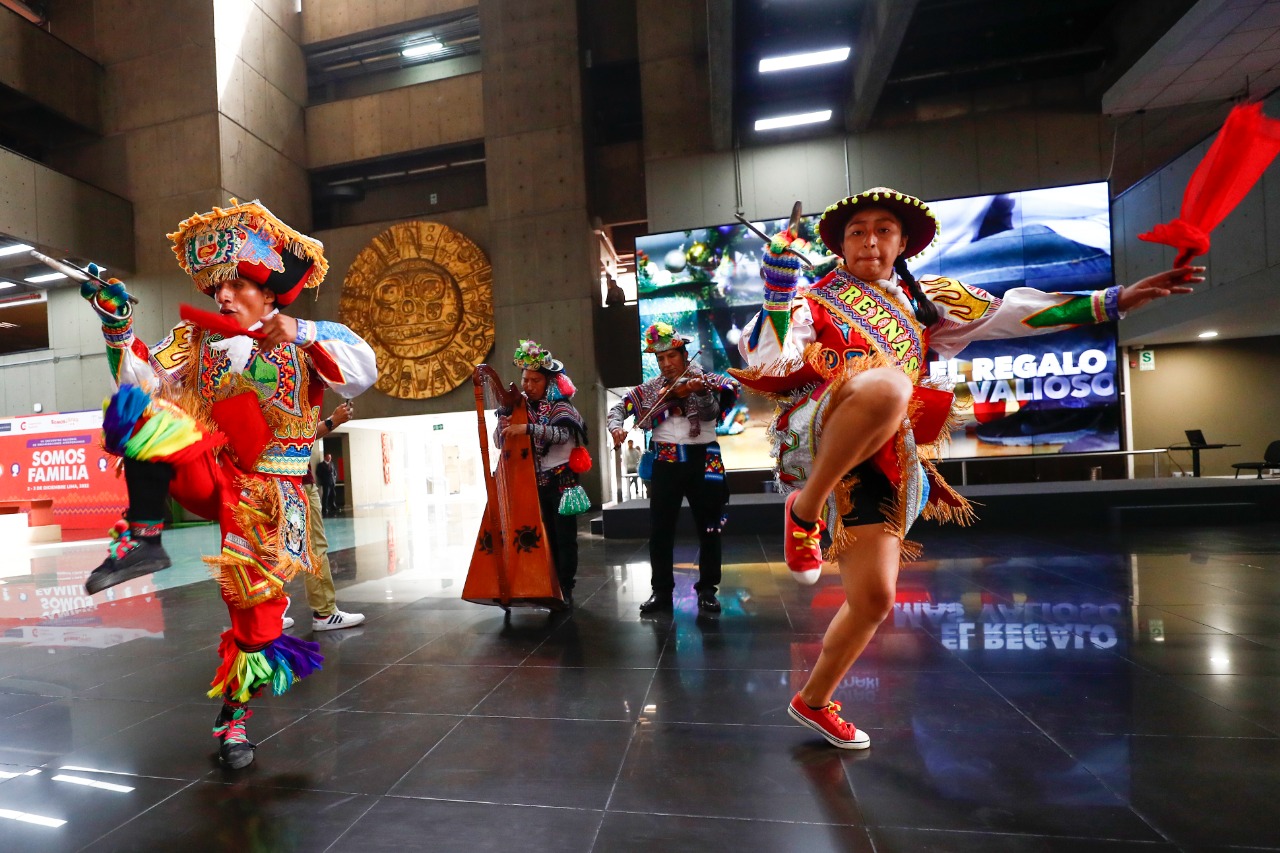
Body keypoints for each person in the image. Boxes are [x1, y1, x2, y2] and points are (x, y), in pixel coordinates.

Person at [734, 187, 1203, 749]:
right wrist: (778, 291)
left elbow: (1012, 314)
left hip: (881, 456)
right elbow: (768, 362)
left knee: (875, 600)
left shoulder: (927, 299)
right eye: (857, 231)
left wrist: (1114, 301)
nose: (870, 240)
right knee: (888, 384)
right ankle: (805, 508)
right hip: (819, 434)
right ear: (839, 245)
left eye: (884, 229)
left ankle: (813, 701)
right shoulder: (815, 295)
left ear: (902, 243)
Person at [80, 199, 378, 768]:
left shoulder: (308, 336)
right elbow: (140, 378)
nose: (221, 295)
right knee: (146, 412)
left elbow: (362, 374)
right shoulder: (194, 341)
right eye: (217, 285)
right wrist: (117, 323)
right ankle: (143, 536)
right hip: (214, 472)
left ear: (268, 292)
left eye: (236, 283)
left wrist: (304, 332)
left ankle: (233, 721)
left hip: (272, 493)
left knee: (257, 622)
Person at [607, 323, 739, 615]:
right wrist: (616, 426)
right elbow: (619, 408)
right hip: (666, 460)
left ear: (683, 354)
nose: (666, 364)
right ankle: (662, 592)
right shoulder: (653, 388)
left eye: (671, 357)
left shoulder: (705, 379)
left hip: (704, 458)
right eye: (660, 359)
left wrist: (699, 391)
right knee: (660, 530)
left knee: (709, 527)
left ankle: (707, 589)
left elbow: (711, 414)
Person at [495, 340, 589, 607]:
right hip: (532, 482)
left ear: (548, 382)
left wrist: (527, 429)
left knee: (564, 538)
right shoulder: (517, 408)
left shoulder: (562, 406)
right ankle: (541, 584)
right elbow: (497, 442)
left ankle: (565, 587)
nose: (527, 385)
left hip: (562, 480)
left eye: (535, 380)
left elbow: (561, 434)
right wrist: (502, 427)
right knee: (539, 538)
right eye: (525, 379)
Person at [286, 400, 365, 632]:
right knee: (314, 547)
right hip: (296, 482)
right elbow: (296, 437)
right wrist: (332, 421)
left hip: (269, 482)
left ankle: (265, 614)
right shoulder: (285, 392)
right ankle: (324, 612)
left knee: (268, 550)